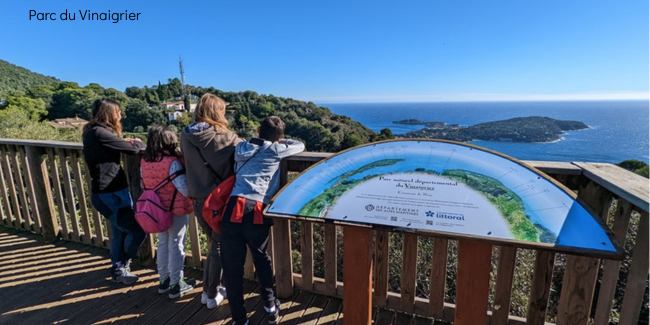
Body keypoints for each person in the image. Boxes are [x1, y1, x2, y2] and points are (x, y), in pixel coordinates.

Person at [221, 116, 305, 325]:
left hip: (232, 208)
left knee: (232, 267)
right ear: (278, 138)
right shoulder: (275, 149)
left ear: (258, 129)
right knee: (261, 260)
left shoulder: (241, 148)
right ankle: (270, 306)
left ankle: (239, 319)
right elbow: (300, 145)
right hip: (255, 210)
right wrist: (280, 143)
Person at [180, 94, 242, 309]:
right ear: (218, 112)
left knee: (213, 243)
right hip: (219, 201)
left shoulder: (185, 135)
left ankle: (210, 290)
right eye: (223, 110)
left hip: (198, 199)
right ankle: (211, 292)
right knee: (217, 246)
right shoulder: (229, 138)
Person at [82, 98, 146, 285]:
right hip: (109, 194)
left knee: (120, 231)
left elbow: (113, 146)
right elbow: (133, 151)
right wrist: (138, 143)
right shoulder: (100, 133)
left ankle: (118, 267)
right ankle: (121, 266)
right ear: (109, 113)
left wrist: (120, 141)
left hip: (112, 191)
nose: (121, 115)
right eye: (118, 112)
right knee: (137, 231)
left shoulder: (93, 132)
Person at [140, 126, 196, 299]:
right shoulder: (172, 162)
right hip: (175, 210)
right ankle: (176, 284)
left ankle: (163, 281)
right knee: (177, 245)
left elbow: (144, 185)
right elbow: (185, 190)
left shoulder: (145, 161)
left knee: (162, 243)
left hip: (156, 211)